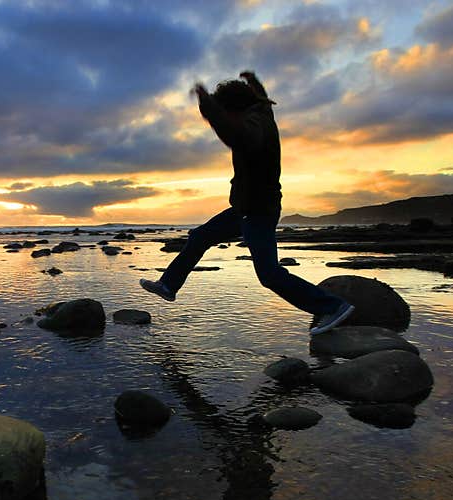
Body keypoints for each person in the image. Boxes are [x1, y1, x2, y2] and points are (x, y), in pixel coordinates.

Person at [139, 71, 354, 336]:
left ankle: (333, 306)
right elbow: (261, 102)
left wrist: (209, 109)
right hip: (244, 208)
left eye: (224, 111)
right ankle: (169, 285)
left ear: (233, 109)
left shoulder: (254, 126)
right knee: (200, 236)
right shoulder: (261, 113)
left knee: (269, 274)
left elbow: (237, 136)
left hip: (258, 211)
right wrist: (255, 84)